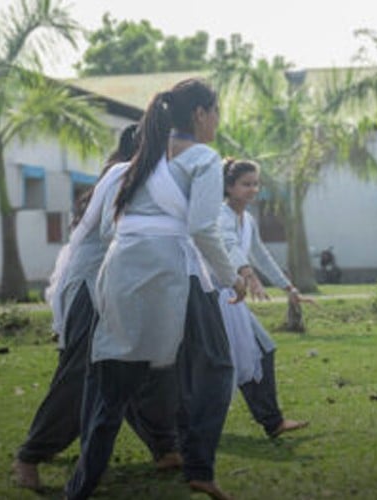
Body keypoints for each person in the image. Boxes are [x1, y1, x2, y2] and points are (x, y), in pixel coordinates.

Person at [64, 79, 241, 500]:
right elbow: (202, 227)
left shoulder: (140, 162)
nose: (217, 120)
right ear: (200, 114)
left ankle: (79, 489)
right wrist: (231, 276)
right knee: (215, 365)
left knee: (113, 388)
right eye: (216, 111)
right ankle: (199, 466)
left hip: (121, 270)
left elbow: (110, 228)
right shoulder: (203, 158)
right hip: (171, 271)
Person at [12, 124, 181, 491]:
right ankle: (31, 454)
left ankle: (163, 445)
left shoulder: (152, 178)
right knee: (80, 374)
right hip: (93, 285)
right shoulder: (121, 177)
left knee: (134, 367)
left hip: (123, 285)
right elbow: (113, 233)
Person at [217, 158, 310, 438]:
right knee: (246, 355)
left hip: (233, 299)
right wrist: (248, 275)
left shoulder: (248, 220)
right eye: (246, 184)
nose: (253, 189)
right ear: (230, 187)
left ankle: (272, 421)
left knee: (257, 352)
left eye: (256, 184)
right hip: (218, 297)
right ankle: (271, 420)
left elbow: (261, 255)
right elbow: (228, 246)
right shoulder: (221, 216)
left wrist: (288, 288)